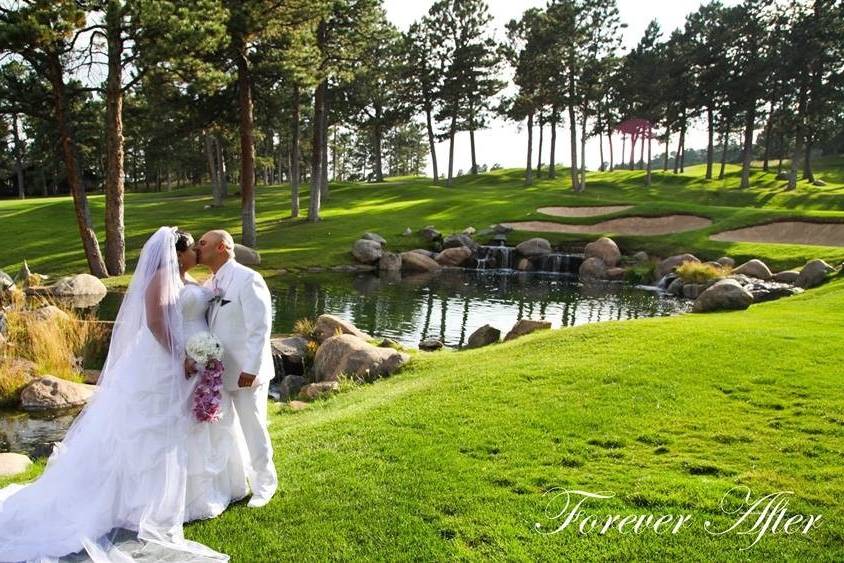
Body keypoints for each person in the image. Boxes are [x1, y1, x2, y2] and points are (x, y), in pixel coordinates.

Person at [0, 227, 229, 562]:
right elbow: (154, 321)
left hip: (187, 361)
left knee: (174, 429)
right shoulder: (163, 275)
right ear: (179, 253)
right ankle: (137, 504)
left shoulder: (185, 277)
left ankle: (184, 497)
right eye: (194, 248)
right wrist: (180, 355)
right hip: (162, 362)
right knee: (145, 431)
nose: (197, 252)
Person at [194, 230, 278, 508]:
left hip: (246, 373)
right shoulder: (211, 283)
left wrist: (251, 368)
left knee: (254, 427)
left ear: (222, 247)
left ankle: (265, 485)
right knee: (227, 430)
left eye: (202, 243)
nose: (197, 246)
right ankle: (236, 483)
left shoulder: (248, 279)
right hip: (219, 371)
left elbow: (260, 327)